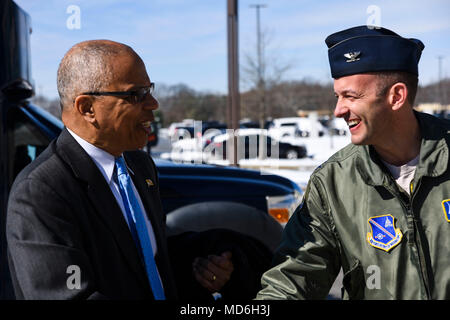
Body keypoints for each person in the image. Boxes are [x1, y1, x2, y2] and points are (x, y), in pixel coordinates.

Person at [6, 40, 234, 299]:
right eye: (136, 95)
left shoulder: (140, 166)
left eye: (149, 90)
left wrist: (196, 269)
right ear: (87, 108)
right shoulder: (41, 192)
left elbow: (146, 261)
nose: (153, 104)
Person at [256, 25, 450, 299]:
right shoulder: (333, 183)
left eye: (351, 96)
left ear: (396, 96)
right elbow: (292, 280)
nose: (338, 111)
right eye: (338, 97)